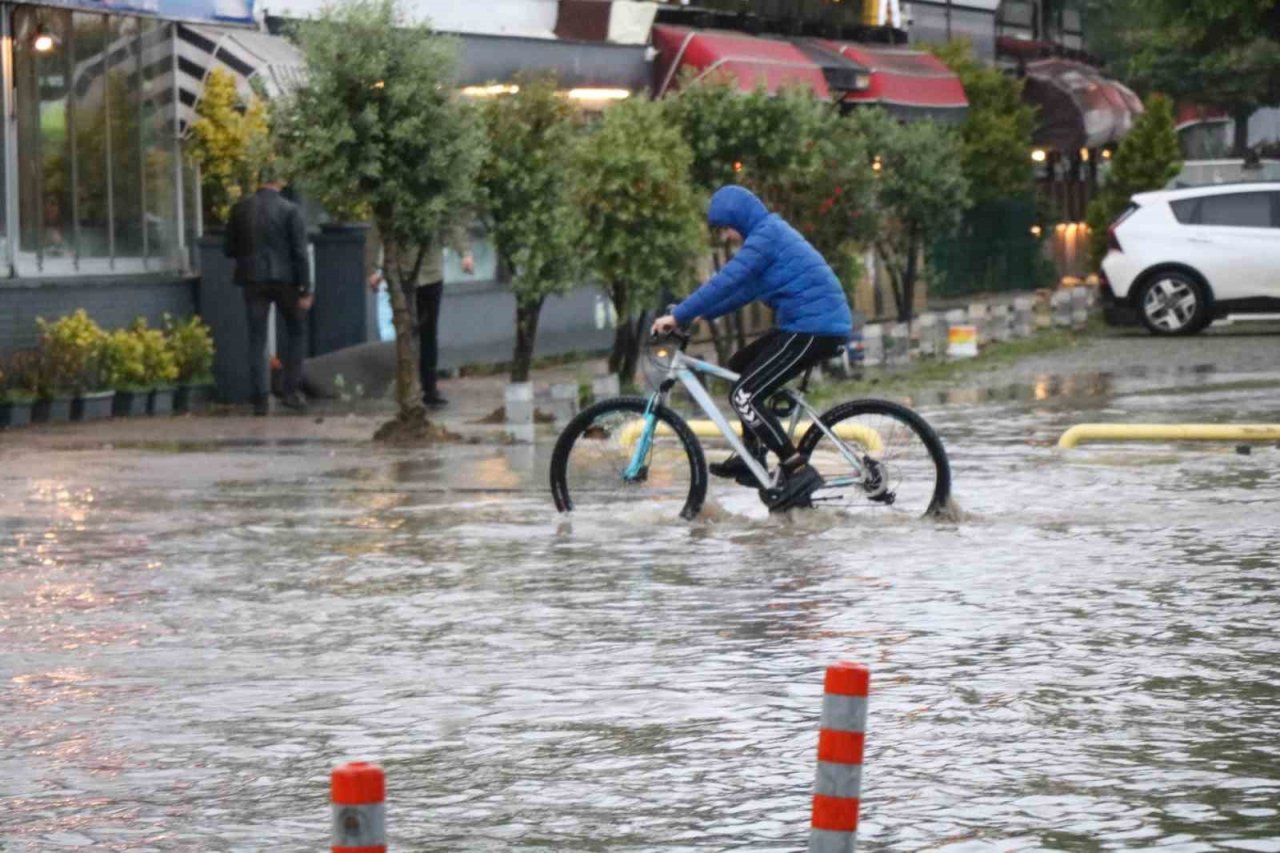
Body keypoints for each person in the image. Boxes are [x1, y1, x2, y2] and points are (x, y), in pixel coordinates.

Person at [651, 185, 852, 509]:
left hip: (815, 328)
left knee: (743, 395)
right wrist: (698, 313)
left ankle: (796, 468)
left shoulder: (765, 238)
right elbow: (742, 291)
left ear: (738, 218)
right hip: (806, 325)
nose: (728, 236)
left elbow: (726, 279)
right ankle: (752, 455)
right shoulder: (768, 236)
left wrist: (678, 315)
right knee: (738, 366)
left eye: (727, 228)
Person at [224, 168, 312, 416]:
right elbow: (300, 252)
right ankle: (291, 391)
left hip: (252, 280)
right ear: (279, 182)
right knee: (296, 331)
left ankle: (259, 398)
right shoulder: (290, 210)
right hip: (286, 281)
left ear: (259, 181)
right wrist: (306, 288)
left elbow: (229, 249)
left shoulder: (239, 210)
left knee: (257, 337)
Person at [365, 224, 474, 408]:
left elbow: (452, 223)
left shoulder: (436, 199)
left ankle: (429, 388)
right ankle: (406, 386)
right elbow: (376, 230)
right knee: (403, 331)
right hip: (401, 272)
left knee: (429, 332)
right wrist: (371, 269)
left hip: (431, 272)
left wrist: (465, 253)